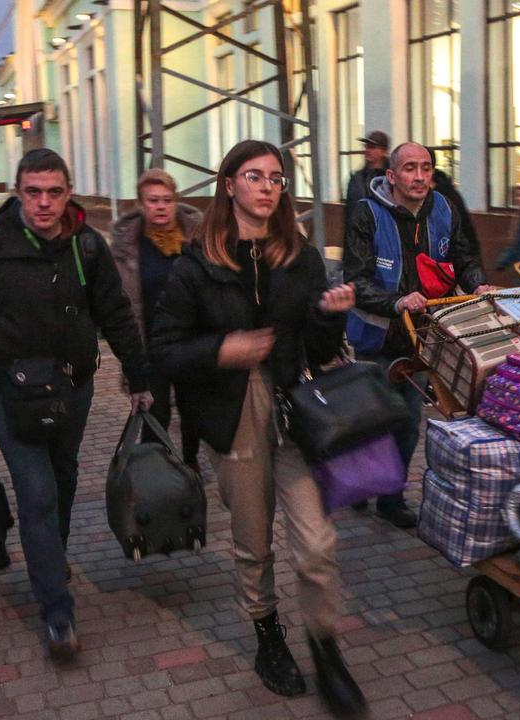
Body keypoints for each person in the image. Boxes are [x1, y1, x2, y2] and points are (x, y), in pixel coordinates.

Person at [149, 140, 366, 718]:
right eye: (255, 177)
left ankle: (326, 648)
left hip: (296, 408)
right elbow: (165, 351)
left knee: (317, 543)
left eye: (276, 178)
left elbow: (321, 349)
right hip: (233, 412)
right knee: (253, 541)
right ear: (229, 186)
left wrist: (329, 315)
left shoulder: (300, 257)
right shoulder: (196, 265)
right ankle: (269, 638)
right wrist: (224, 348)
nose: (268, 187)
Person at [0, 148, 153, 663]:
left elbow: (116, 314)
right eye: (33, 192)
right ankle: (57, 610)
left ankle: (50, 555)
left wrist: (138, 377)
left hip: (74, 387)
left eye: (54, 192)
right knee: (37, 493)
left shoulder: (88, 247)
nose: (44, 203)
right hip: (11, 391)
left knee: (64, 477)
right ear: (17, 191)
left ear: (68, 192)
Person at [342, 141, 491, 529]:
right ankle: (359, 483)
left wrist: (476, 284)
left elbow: (464, 258)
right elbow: (356, 280)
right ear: (391, 176)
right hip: (377, 338)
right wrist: (396, 301)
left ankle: (390, 498)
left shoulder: (444, 208)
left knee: (408, 422)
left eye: (426, 167)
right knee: (372, 421)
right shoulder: (366, 214)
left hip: (422, 338)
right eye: (410, 168)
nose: (420, 176)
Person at [111, 169, 203, 469]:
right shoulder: (128, 244)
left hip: (191, 343)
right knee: (155, 412)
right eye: (153, 200)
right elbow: (120, 300)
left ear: (176, 201)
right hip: (150, 344)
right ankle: (154, 473)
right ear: (141, 204)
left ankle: (191, 465)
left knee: (192, 412)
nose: (160, 206)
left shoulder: (196, 237)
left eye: (166, 200)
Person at [343, 130, 389, 226]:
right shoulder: (356, 179)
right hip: (360, 236)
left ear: (384, 151)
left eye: (372, 147)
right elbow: (350, 214)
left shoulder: (392, 179)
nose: (367, 150)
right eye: (366, 146)